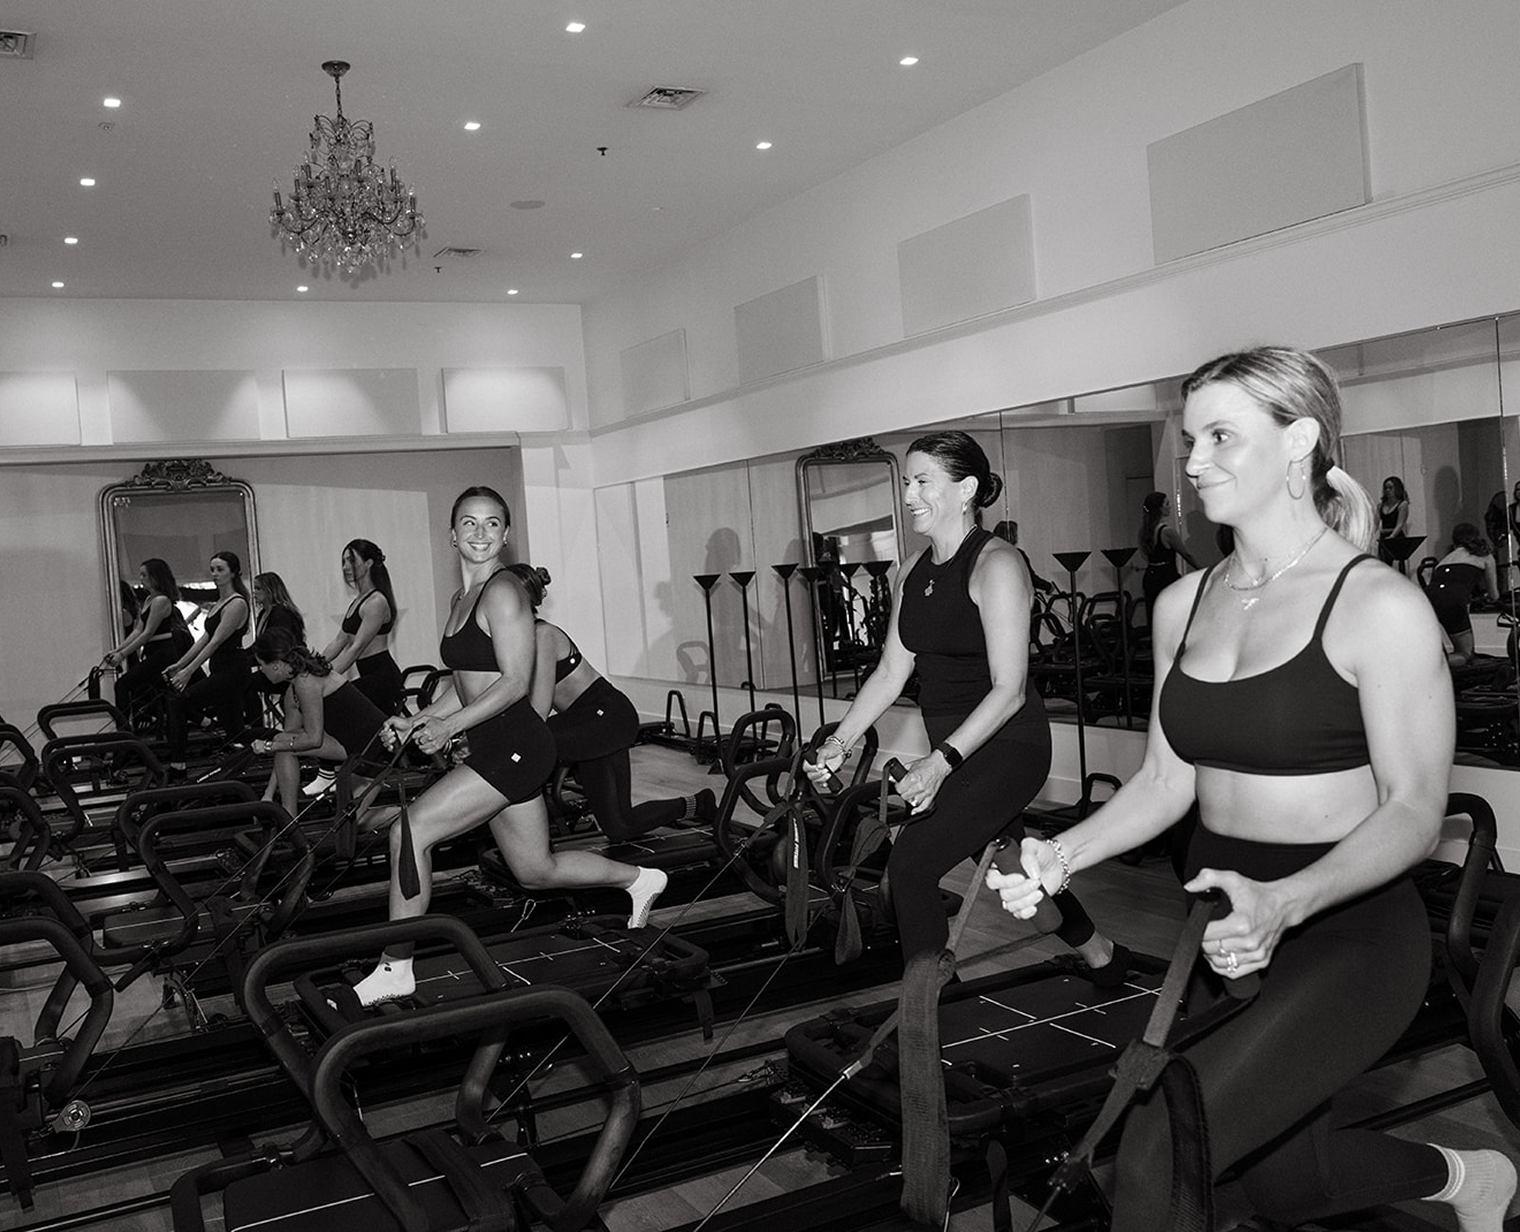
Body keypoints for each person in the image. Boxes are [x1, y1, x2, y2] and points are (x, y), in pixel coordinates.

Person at [987, 346, 1515, 1230]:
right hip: (1219, 920)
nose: (1193, 463)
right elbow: (1165, 778)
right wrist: (1059, 853)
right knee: (1264, 1178)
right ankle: (1469, 1179)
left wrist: (1283, 901)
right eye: (1189, 438)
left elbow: (1417, 811)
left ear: (1299, 439)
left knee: (1164, 1144)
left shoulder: (1376, 604)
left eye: (1221, 436)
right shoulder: (1182, 604)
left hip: (1346, 924)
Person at [805, 431, 1126, 978]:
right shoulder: (911, 570)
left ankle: (926, 1023)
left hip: (1007, 748)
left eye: (923, 481)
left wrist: (939, 763)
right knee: (1014, 867)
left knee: (910, 866)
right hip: (953, 753)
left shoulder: (997, 565)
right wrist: (838, 741)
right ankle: (1099, 952)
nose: (909, 495)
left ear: (966, 488)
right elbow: (890, 672)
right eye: (908, 482)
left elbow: (1010, 689)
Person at [353, 487, 667, 1007]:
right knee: (534, 870)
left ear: (505, 533)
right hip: (494, 743)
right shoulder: (462, 600)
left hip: (516, 744)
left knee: (411, 831)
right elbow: (467, 681)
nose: (480, 533)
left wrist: (450, 730)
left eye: (492, 524)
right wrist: (418, 720)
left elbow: (517, 682)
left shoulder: (503, 592)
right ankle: (639, 878)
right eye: (470, 524)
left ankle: (396, 966)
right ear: (453, 534)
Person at [507, 563, 716, 840]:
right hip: (586, 724)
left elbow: (538, 710)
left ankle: (528, 825)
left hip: (607, 716)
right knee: (620, 827)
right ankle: (699, 803)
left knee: (531, 742)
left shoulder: (543, 636)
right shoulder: (515, 642)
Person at [250, 627, 387, 818]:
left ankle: (408, 817)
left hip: (372, 749)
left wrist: (268, 746)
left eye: (260, 665)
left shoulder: (306, 682)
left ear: (275, 665)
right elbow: (286, 742)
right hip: (349, 744)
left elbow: (314, 740)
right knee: (283, 740)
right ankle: (288, 818)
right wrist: (268, 793)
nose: (260, 671)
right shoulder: (294, 688)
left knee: (353, 823)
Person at [309, 540, 401, 796]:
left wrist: (326, 682)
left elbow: (355, 648)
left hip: (381, 677)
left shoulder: (376, 602)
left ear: (369, 563)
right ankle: (338, 770)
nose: (346, 567)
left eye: (352, 560)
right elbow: (339, 641)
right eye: (343, 561)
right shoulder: (359, 601)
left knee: (331, 707)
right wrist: (313, 668)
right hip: (368, 673)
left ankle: (329, 772)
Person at [162, 551, 254, 774]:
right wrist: (180, 665)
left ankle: (178, 764)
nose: (214, 574)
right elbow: (203, 639)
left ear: (233, 573)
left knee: (178, 702)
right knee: (235, 729)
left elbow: (215, 642)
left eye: (220, 569)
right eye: (212, 569)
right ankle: (244, 759)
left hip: (232, 670)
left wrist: (188, 672)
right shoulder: (219, 603)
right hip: (221, 668)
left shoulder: (237, 603)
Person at [104, 558, 190, 727]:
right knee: (162, 694)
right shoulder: (150, 599)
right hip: (154, 651)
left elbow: (147, 633)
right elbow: (137, 630)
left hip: (162, 652)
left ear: (155, 576)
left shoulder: (161, 601)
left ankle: (125, 733)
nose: (141, 578)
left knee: (123, 685)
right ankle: (203, 721)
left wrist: (122, 654)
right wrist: (117, 650)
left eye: (144, 575)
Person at [1426, 523, 1501, 666]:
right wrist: (1486, 598)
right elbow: (1494, 595)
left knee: (1448, 648)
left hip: (1428, 598)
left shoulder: (1445, 559)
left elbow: (1444, 588)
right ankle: (1433, 666)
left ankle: (1434, 664)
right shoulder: (1485, 556)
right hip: (1453, 599)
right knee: (1466, 653)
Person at [1137, 491, 1201, 626]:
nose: (1170, 506)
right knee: (1174, 617)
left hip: (1150, 576)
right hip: (1166, 576)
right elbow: (1186, 554)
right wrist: (1201, 569)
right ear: (1160, 508)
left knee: (1155, 618)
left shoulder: (1145, 531)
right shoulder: (1167, 532)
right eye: (1167, 504)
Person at [991, 520, 1055, 609]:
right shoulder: (1017, 554)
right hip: (1018, 601)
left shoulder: (991, 555)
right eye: (1015, 534)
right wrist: (1048, 586)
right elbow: (1031, 578)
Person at [1378, 475, 1411, 564]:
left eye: (1390, 488)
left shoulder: (1402, 504)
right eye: (1386, 488)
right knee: (1384, 564)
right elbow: (1376, 523)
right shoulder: (1381, 505)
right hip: (1384, 536)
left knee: (1399, 563)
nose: (1387, 491)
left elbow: (1400, 524)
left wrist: (1392, 536)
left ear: (1397, 489)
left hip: (1396, 537)